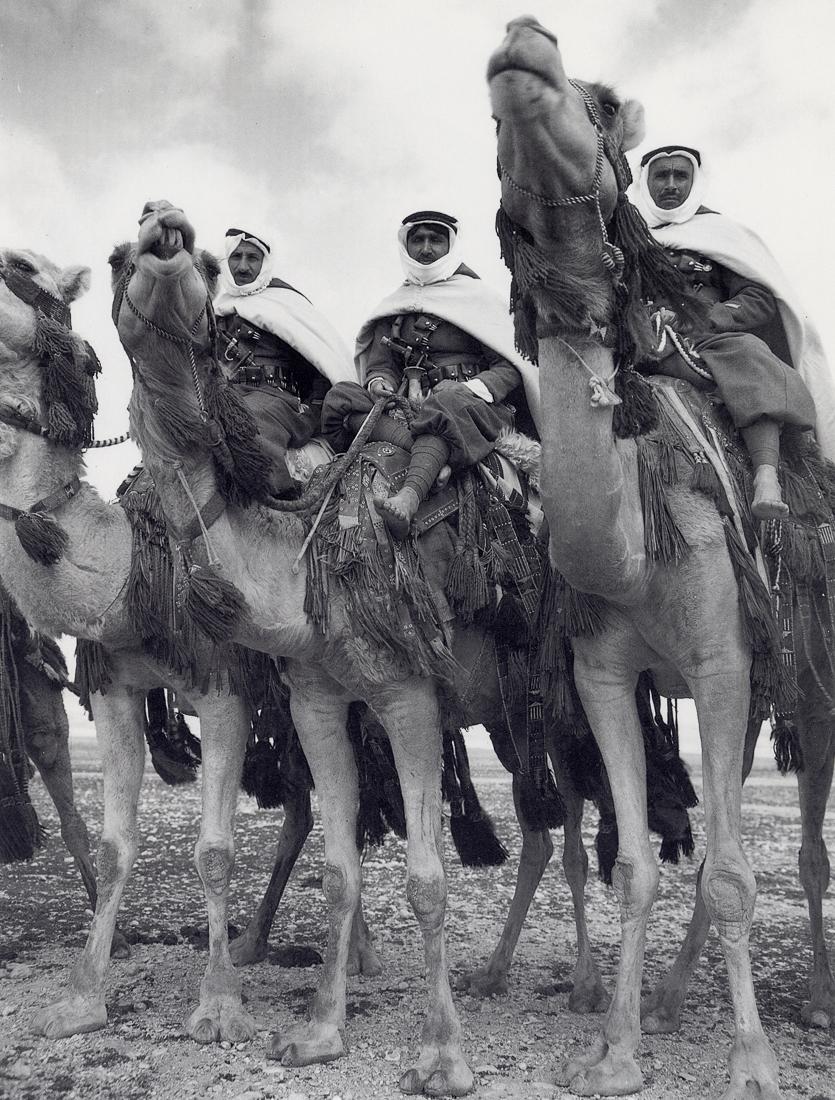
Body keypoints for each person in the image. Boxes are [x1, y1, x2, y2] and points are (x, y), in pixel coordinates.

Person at [632, 145, 835, 520]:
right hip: (642, 343)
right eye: (662, 176)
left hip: (708, 340)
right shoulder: (629, 236)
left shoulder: (720, 233)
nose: (672, 184)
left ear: (695, 182)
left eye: (681, 176)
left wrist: (706, 315)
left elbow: (759, 296)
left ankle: (766, 474)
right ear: (646, 182)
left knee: (749, 351)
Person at [322, 210, 540, 538]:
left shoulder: (479, 299)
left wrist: (471, 389)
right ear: (405, 246)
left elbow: (510, 367)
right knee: (341, 397)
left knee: (446, 401)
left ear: (450, 245)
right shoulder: (394, 307)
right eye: (417, 239)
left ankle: (409, 496)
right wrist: (379, 383)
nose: (426, 248)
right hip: (412, 406)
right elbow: (381, 364)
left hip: (472, 408)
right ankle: (430, 457)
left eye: (435, 239)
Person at [213, 228, 356, 497]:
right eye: (236, 257)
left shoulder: (286, 303)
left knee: (249, 421)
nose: (243, 266)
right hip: (227, 396)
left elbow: (320, 365)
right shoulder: (216, 309)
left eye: (252, 258)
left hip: (281, 402)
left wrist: (314, 412)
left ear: (264, 262)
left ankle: (280, 501)